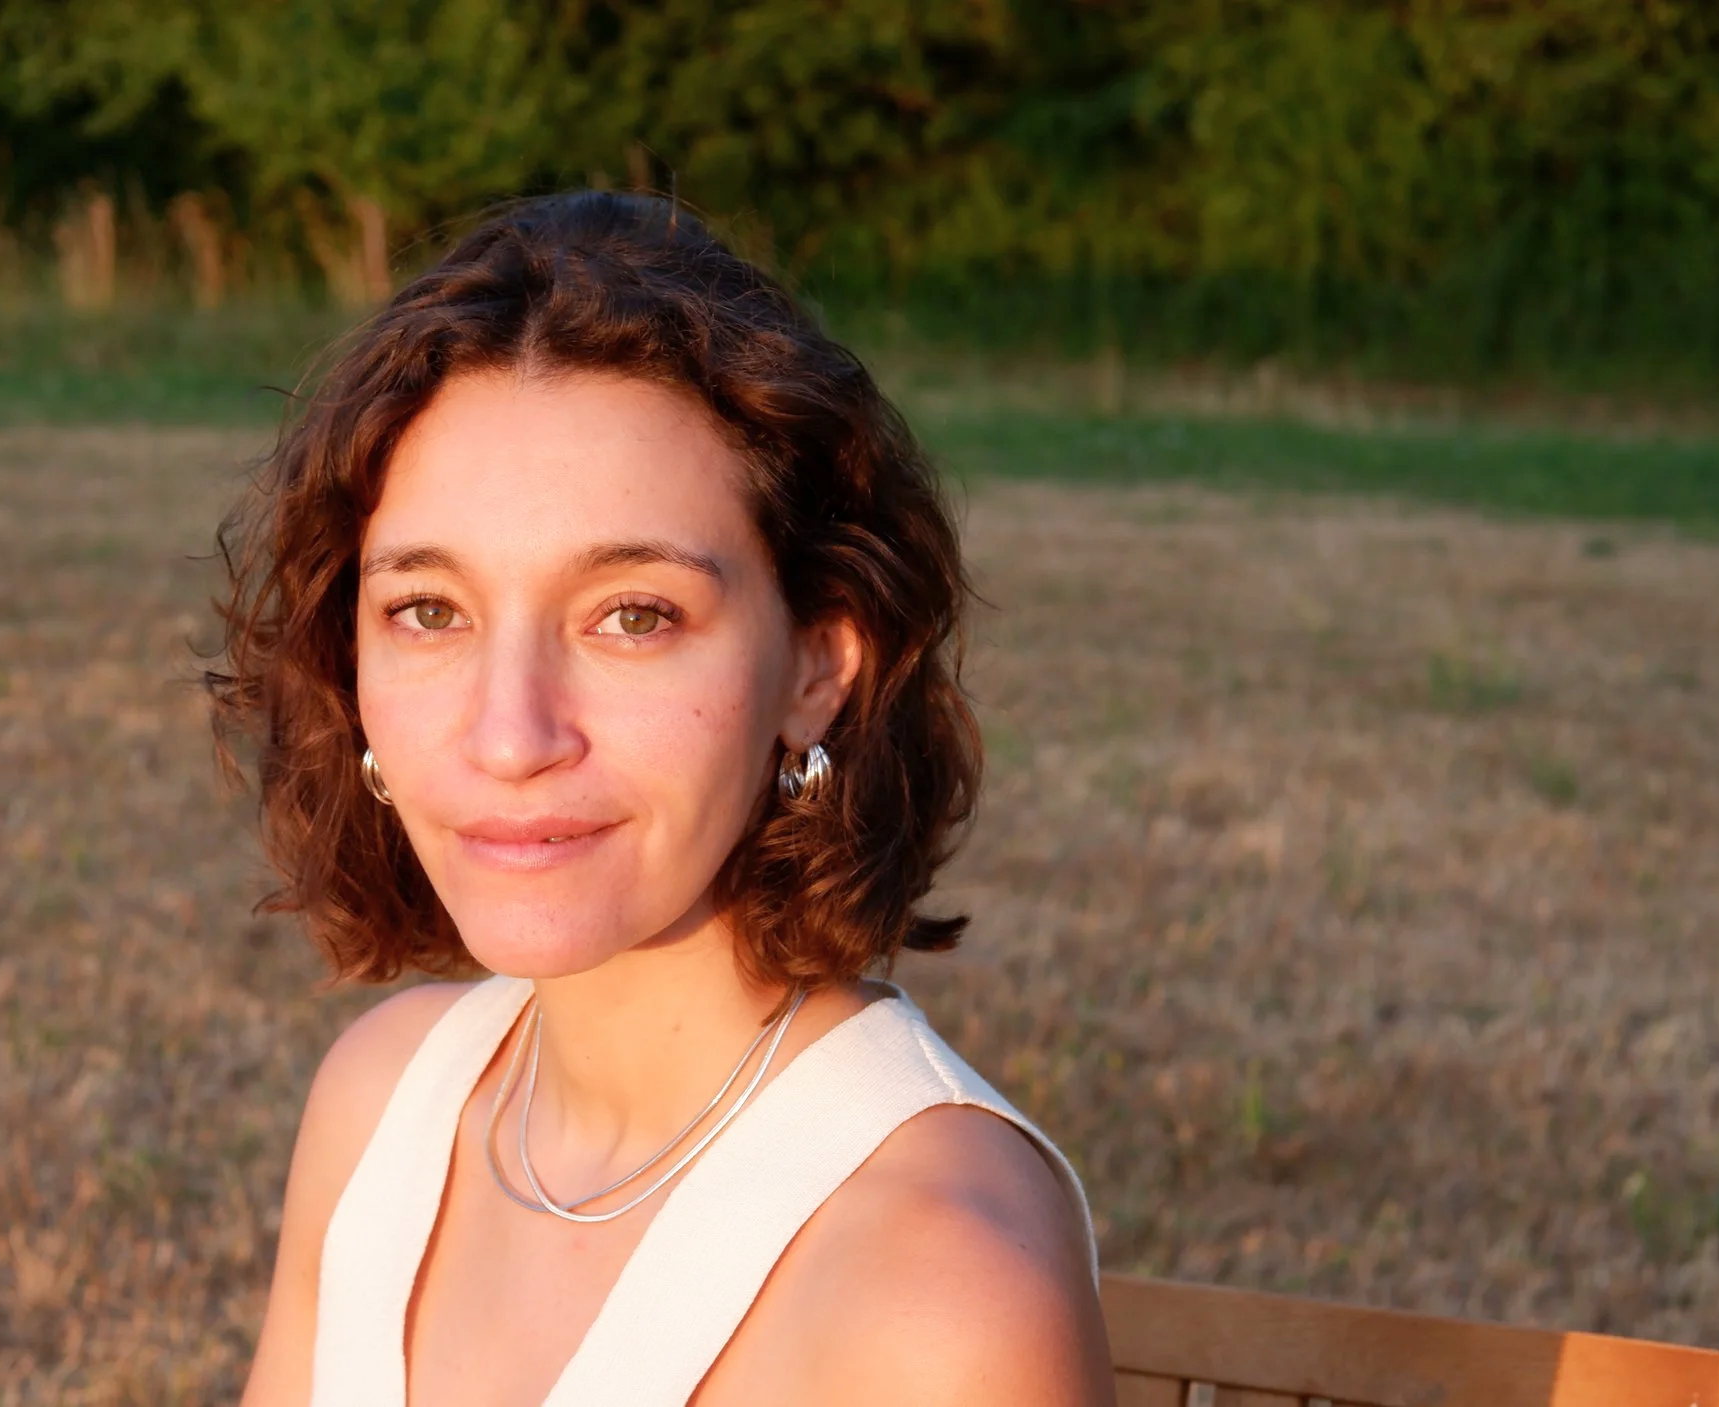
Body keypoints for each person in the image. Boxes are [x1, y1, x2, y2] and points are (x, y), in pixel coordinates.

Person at [212, 192, 1111, 1407]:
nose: (509, 734)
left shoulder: (934, 1280)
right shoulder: (382, 1105)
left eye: (632, 616)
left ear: (813, 668)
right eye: (429, 611)